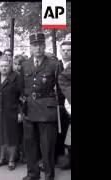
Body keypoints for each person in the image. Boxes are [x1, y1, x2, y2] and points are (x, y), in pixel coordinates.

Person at [20, 32, 62, 180]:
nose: (37, 48)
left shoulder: (54, 64)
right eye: (34, 45)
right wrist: (22, 109)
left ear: (44, 46)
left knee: (47, 146)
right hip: (29, 109)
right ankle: (32, 173)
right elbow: (21, 89)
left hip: (47, 109)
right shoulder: (24, 65)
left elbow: (61, 88)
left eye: (40, 45)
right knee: (30, 144)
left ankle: (49, 175)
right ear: (30, 48)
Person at [0, 56, 23, 171]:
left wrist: (20, 112)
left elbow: (22, 97)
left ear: (10, 66)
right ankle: (2, 158)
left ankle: (11, 160)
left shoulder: (17, 78)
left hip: (12, 112)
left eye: (6, 66)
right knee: (1, 136)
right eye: (1, 66)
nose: (4, 68)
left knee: (12, 137)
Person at [57, 41, 71, 170]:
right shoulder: (56, 65)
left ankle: (69, 159)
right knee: (59, 133)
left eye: (69, 50)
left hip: (70, 104)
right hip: (59, 104)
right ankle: (59, 158)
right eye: (64, 50)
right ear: (60, 51)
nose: (66, 52)